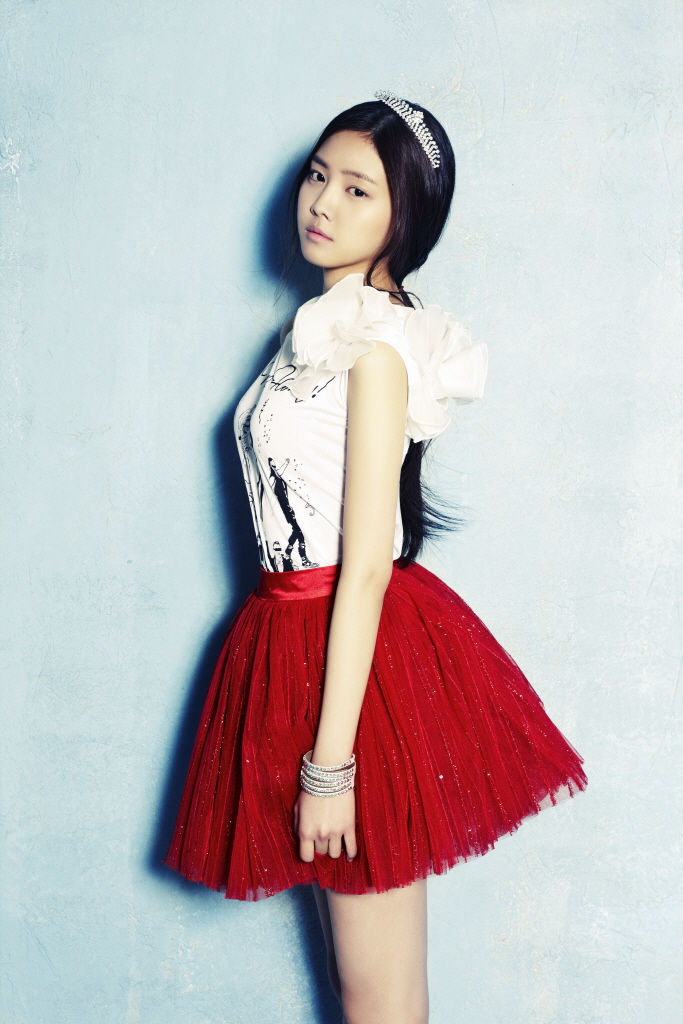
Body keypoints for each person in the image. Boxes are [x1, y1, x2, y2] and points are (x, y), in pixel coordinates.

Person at [164, 91, 587, 1024]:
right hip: (287, 641)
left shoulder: (378, 348)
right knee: (361, 988)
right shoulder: (315, 334)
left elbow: (363, 567)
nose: (322, 202)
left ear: (405, 218)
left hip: (357, 670)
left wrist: (331, 769)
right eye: (318, 175)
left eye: (358, 189)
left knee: (379, 995)